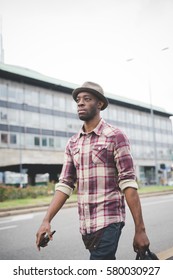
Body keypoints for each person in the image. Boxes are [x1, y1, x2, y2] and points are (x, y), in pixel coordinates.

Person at [36, 81, 150, 260]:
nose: (80, 103)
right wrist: (46, 220)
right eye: (78, 100)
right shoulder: (73, 143)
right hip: (86, 225)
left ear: (100, 104)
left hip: (109, 219)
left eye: (87, 99)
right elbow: (65, 184)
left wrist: (140, 229)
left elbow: (128, 183)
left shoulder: (115, 136)